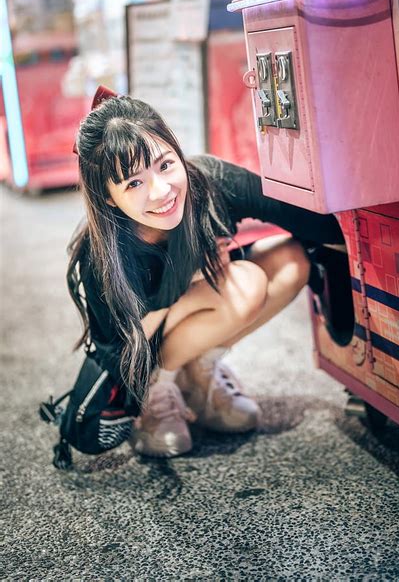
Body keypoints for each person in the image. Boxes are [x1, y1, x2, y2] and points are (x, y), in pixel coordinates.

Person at [68, 89, 344, 458]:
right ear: (106, 196)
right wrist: (189, 279)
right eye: (134, 183)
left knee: (291, 262)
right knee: (244, 285)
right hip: (141, 352)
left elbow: (314, 221)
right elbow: (118, 350)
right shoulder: (102, 254)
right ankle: (158, 388)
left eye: (165, 165)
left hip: (194, 308)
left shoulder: (210, 183)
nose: (161, 191)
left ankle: (199, 372)